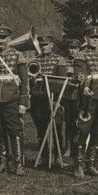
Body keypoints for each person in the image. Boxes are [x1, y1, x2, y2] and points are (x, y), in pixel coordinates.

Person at [0, 23, 30, 176]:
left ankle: (18, 164)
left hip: (12, 99)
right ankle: (3, 163)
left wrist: (23, 102)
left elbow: (25, 81)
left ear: (9, 38)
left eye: (4, 38)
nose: (1, 41)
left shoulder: (17, 55)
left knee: (14, 131)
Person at [72, 26, 98, 178]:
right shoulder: (81, 55)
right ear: (86, 39)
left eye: (97, 37)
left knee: (97, 130)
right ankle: (79, 165)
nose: (95, 39)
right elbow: (81, 74)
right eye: (92, 37)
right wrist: (85, 87)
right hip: (89, 97)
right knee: (83, 130)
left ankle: (91, 164)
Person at [29, 35, 69, 168]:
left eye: (46, 44)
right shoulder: (34, 60)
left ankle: (58, 157)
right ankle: (44, 156)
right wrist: (33, 80)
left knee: (57, 127)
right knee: (40, 128)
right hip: (37, 97)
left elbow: (61, 80)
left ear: (52, 45)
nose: (43, 47)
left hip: (53, 98)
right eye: (41, 45)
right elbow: (27, 80)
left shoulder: (59, 60)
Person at [60, 39, 83, 165]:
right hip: (67, 94)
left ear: (79, 49)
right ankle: (68, 147)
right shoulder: (64, 60)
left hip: (79, 94)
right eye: (71, 48)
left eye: (75, 48)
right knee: (68, 121)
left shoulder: (82, 60)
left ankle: (77, 146)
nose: (73, 51)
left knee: (78, 121)